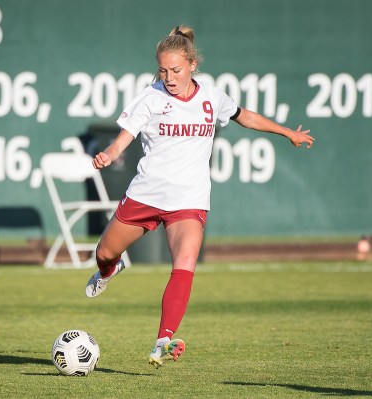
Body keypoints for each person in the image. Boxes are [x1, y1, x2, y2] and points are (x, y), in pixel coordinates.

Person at [85, 25, 315, 368]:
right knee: (104, 253)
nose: (169, 77)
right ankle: (109, 270)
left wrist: (286, 133)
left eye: (176, 70)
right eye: (163, 70)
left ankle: (163, 338)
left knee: (185, 263)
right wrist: (110, 152)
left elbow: (244, 117)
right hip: (146, 193)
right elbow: (125, 136)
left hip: (189, 199)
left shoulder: (210, 94)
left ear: (192, 64)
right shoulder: (151, 96)